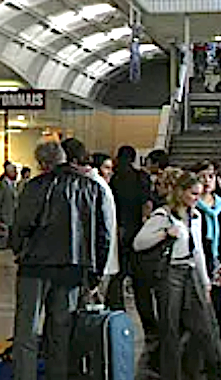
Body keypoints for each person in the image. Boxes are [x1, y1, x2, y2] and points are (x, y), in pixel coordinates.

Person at [11, 141, 111, 380]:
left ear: (43, 164)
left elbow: (22, 224)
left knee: (27, 330)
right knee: (61, 331)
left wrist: (17, 249)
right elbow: (103, 234)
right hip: (73, 269)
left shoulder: (36, 186)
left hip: (35, 267)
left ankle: (25, 376)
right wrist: (96, 273)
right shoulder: (91, 187)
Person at [134, 169, 221, 380]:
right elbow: (139, 243)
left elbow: (198, 249)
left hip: (190, 269)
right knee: (170, 327)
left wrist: (205, 282)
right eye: (192, 194)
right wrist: (165, 233)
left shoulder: (196, 216)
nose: (196, 199)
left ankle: (209, 369)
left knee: (204, 325)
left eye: (198, 195)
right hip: (171, 272)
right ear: (181, 192)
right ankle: (171, 373)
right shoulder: (164, 215)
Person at [108, 144, 159, 344]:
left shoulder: (115, 179)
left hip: (119, 232)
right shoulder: (141, 177)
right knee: (141, 283)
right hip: (139, 233)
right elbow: (147, 203)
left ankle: (116, 317)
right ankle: (150, 326)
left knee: (117, 277)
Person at [63, 139, 119, 282]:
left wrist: (98, 269)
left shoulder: (91, 186)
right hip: (95, 262)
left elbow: (103, 228)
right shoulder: (93, 185)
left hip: (93, 264)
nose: (110, 173)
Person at [191, 160, 221, 322]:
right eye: (202, 177)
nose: (207, 180)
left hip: (218, 259)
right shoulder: (193, 207)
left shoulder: (220, 204)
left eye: (211, 176)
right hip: (200, 259)